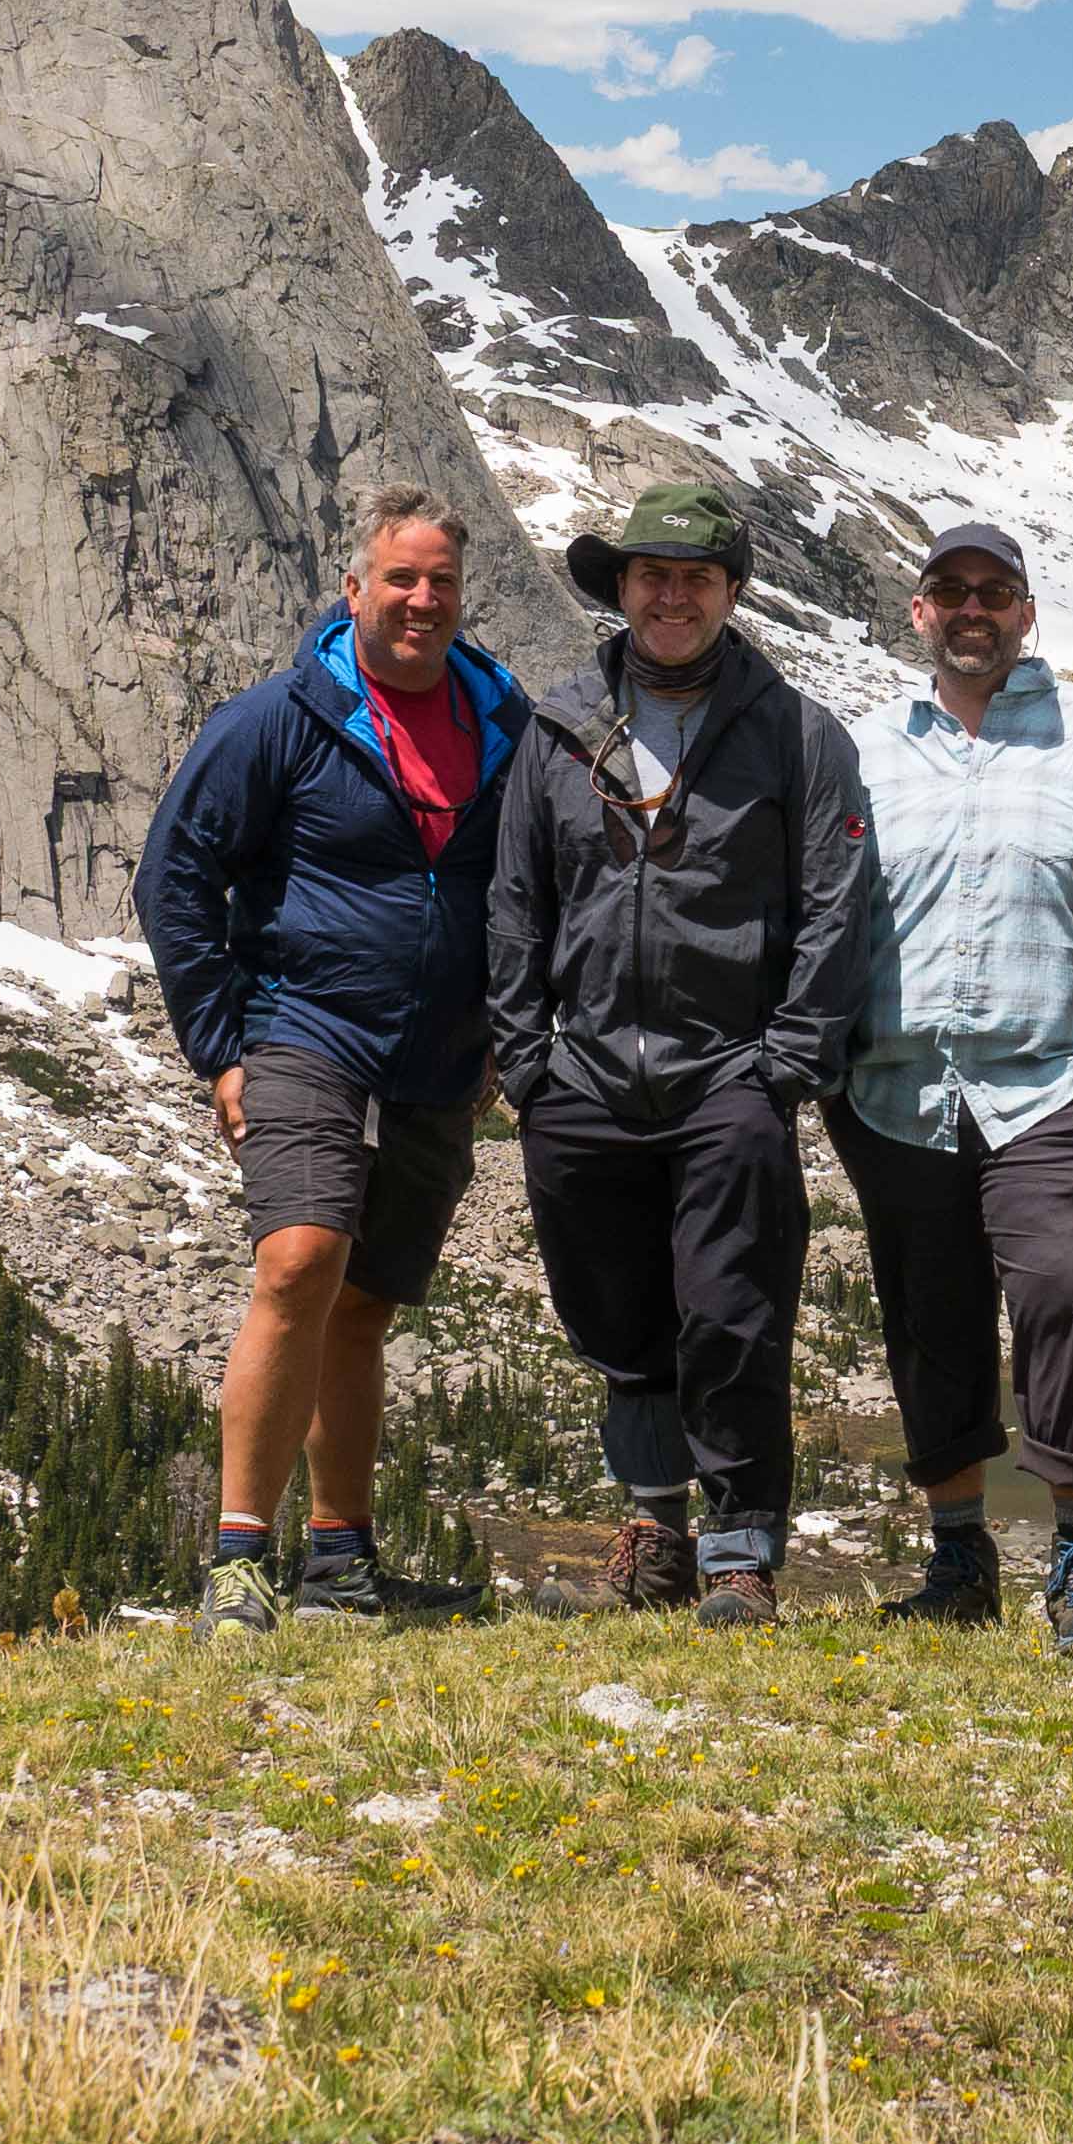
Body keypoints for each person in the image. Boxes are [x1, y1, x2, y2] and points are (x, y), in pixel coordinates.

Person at [138, 484, 534, 1640]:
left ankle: (341, 1563)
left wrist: (512, 1031)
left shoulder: (500, 722)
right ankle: (237, 1563)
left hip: (439, 1058)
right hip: (304, 1029)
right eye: (399, 579)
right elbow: (176, 877)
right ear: (352, 589)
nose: (421, 600)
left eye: (440, 582)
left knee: (364, 1307)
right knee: (300, 1263)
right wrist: (221, 1049)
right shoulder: (278, 718)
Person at [487, 480, 871, 1630]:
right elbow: (517, 900)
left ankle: (742, 1555)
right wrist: (525, 1062)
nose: (671, 596)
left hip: (728, 1078)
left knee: (732, 1313)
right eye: (652, 575)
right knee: (617, 1318)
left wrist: (786, 1061)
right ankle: (657, 1532)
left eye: (696, 579)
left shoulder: (797, 733)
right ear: (620, 588)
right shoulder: (558, 730)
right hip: (585, 1080)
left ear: (732, 596)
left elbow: (835, 904)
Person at [835, 522, 1073, 1655]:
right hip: (898, 1092)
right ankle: (959, 1558)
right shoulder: (868, 749)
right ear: (918, 612)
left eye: (995, 593)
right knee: (927, 1319)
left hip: (1058, 1085)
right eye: (950, 591)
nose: (972, 610)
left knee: (1064, 1289)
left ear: (1026, 612)